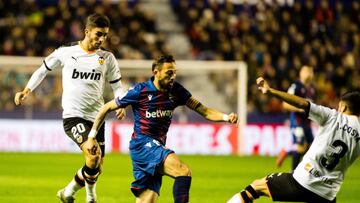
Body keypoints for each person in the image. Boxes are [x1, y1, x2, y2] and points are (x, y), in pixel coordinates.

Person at [83, 54, 238, 203]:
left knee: (147, 200)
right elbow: (106, 108)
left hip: (155, 147)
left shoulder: (177, 91)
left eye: (175, 73)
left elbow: (204, 111)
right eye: (169, 73)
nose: (173, 77)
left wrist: (226, 117)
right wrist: (91, 136)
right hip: (143, 145)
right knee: (183, 171)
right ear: (156, 73)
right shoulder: (140, 91)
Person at [14, 13, 125, 203]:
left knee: (97, 165)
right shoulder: (66, 52)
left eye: (105, 35)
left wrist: (120, 102)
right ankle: (91, 198)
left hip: (97, 117)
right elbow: (43, 70)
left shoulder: (107, 58)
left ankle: (67, 193)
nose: (102, 39)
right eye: (98, 34)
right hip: (74, 116)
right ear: (87, 31)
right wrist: (27, 90)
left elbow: (116, 85)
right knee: (93, 156)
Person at [227, 77, 360, 203]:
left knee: (256, 187)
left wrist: (271, 90)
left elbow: (302, 103)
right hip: (327, 194)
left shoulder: (333, 116)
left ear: (343, 106)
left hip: (303, 181)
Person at [276, 65, 316, 171]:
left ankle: (287, 151)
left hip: (307, 122)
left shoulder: (312, 89)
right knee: (301, 146)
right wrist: (299, 109)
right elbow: (285, 104)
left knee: (309, 148)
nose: (309, 74)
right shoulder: (296, 86)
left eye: (311, 72)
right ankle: (293, 173)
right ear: (301, 73)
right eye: (306, 71)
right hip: (297, 121)